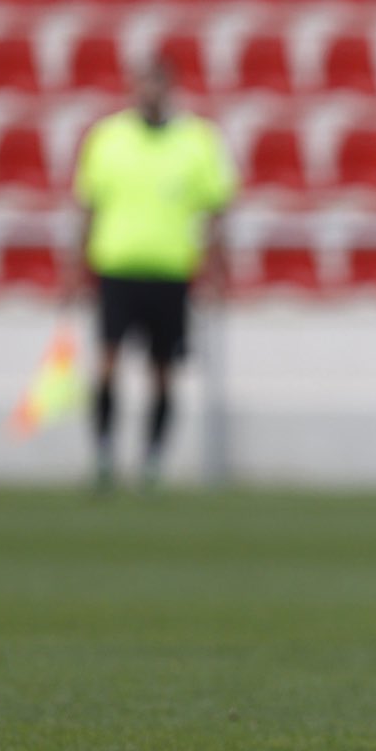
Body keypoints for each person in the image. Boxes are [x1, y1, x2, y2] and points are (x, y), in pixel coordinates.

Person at [69, 54, 238, 490]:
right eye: (142, 84)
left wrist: (218, 271)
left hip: (171, 272)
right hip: (117, 268)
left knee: (162, 371)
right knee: (106, 364)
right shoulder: (107, 138)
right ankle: (104, 451)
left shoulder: (198, 140)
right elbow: (88, 205)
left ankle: (152, 458)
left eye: (157, 84)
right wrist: (74, 266)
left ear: (170, 88)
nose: (149, 93)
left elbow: (216, 209)